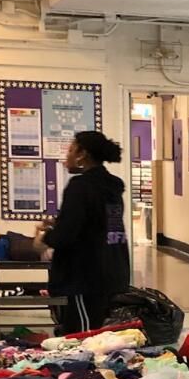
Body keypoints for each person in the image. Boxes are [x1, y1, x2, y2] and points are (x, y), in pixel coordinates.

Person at [37, 130, 130, 335]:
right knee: (98, 334)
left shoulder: (80, 187)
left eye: (70, 150)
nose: (66, 156)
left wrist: (45, 237)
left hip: (85, 275)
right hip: (112, 269)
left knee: (83, 336)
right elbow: (99, 224)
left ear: (82, 155)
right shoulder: (111, 186)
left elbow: (66, 235)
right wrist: (60, 222)